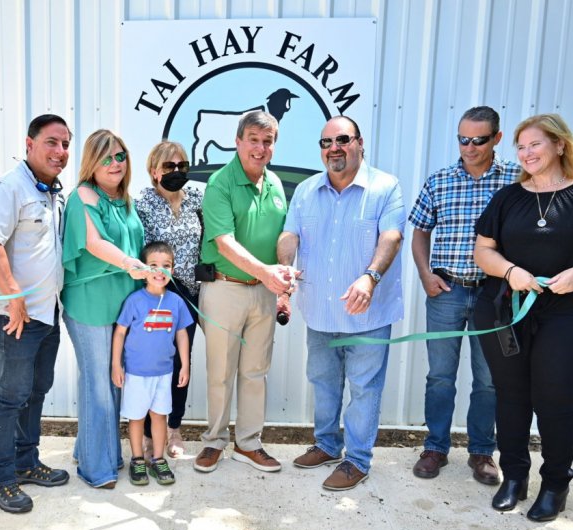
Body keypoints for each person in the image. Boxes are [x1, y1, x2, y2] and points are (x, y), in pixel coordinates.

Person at [472, 113, 573, 521]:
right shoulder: (507, 198)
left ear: (560, 145)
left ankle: (556, 483)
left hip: (572, 314)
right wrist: (511, 271)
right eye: (521, 147)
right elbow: (483, 252)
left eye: (535, 145)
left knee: (555, 399)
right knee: (511, 396)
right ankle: (514, 477)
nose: (526, 153)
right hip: (507, 310)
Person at [277, 116, 405, 491]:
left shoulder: (385, 187)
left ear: (359, 143)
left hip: (368, 312)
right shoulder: (305, 190)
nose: (334, 148)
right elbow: (289, 234)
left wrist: (370, 277)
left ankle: (357, 460)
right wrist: (285, 268)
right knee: (324, 381)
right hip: (320, 311)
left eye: (343, 139)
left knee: (364, 388)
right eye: (326, 142)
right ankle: (327, 444)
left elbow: (392, 237)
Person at [407, 106, 520, 484]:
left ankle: (482, 452)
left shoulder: (518, 179)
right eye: (462, 139)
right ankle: (435, 447)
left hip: (495, 296)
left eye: (479, 140)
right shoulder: (440, 180)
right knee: (440, 375)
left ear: (497, 139)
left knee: (489, 379)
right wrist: (425, 275)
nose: (469, 147)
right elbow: (420, 230)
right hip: (446, 291)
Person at [0, 114, 72, 513]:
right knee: (11, 396)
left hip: (47, 314)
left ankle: (26, 461)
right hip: (15, 315)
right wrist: (14, 297)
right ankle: (1, 478)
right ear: (29, 144)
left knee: (36, 391)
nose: (61, 152)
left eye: (66, 144)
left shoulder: (54, 192)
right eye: (52, 142)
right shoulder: (8, 188)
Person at [193, 110, 294, 475]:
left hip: (264, 293)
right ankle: (214, 441)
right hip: (225, 288)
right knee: (221, 371)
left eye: (267, 141)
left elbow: (283, 236)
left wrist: (283, 275)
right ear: (238, 142)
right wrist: (267, 273)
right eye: (253, 139)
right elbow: (224, 243)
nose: (260, 147)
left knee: (255, 371)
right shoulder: (220, 183)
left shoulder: (276, 184)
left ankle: (249, 444)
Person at [61, 129, 148, 488]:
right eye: (107, 157)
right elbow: (94, 243)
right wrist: (130, 263)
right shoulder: (83, 195)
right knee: (99, 384)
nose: (115, 164)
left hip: (122, 305)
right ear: (92, 163)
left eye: (120, 156)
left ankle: (93, 450)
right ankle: (97, 469)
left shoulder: (126, 201)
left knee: (113, 382)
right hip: (91, 304)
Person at [134, 140, 202, 459]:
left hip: (188, 298)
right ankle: (149, 433)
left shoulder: (197, 199)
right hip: (157, 295)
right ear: (154, 171)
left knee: (180, 364)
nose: (176, 172)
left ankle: (173, 428)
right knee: (155, 363)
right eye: (168, 167)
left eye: (181, 166)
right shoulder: (142, 203)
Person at [111, 241, 193, 486]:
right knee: (136, 418)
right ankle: (137, 459)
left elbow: (181, 335)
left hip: (164, 373)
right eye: (153, 265)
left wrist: (185, 365)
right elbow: (120, 333)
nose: (160, 271)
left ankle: (158, 459)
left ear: (173, 270)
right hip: (136, 373)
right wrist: (117, 364)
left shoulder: (176, 302)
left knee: (159, 417)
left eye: (166, 266)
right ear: (143, 270)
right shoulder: (135, 300)